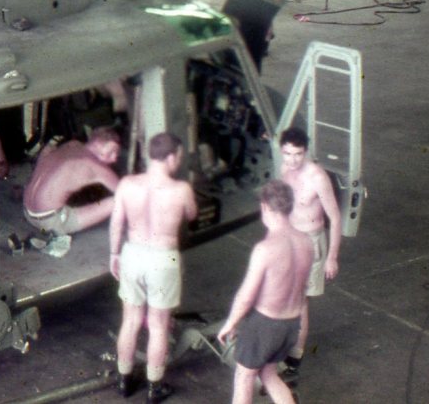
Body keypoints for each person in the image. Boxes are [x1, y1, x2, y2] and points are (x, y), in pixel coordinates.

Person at [110, 132, 197, 402]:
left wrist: (114, 254)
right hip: (163, 257)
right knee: (159, 325)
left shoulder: (127, 184)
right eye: (178, 157)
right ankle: (154, 386)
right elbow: (192, 214)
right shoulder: (181, 189)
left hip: (132, 253)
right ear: (170, 158)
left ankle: (124, 380)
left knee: (130, 320)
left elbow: (116, 223)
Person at [217, 180, 313, 404]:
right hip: (291, 323)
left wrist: (230, 323)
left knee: (244, 377)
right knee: (269, 374)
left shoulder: (265, 249)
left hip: (265, 324)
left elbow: (246, 296)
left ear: (265, 207)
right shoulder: (307, 242)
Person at [276, 126, 341, 377]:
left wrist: (332, 257)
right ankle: (282, 346)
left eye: (298, 154)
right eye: (287, 154)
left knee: (300, 303)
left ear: (306, 152)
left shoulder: (317, 177)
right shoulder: (284, 169)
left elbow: (335, 218)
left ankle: (295, 356)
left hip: (311, 244)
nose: (292, 160)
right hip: (288, 240)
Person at [23, 127, 121, 236]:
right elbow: (125, 190)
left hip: (27, 212)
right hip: (50, 222)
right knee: (119, 200)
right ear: (97, 145)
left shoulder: (72, 144)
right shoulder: (95, 166)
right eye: (112, 152)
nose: (114, 159)